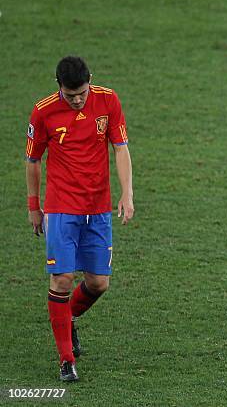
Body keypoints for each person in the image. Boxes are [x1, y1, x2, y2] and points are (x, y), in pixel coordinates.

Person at [25, 56, 134, 381]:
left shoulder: (108, 100)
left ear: (90, 80)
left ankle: (65, 318)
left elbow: (120, 147)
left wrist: (127, 192)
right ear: (59, 86)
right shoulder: (43, 111)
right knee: (61, 279)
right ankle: (66, 359)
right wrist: (34, 205)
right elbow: (33, 160)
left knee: (98, 283)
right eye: (70, 95)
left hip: (97, 207)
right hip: (61, 208)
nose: (77, 100)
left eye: (82, 93)